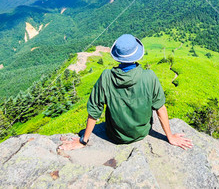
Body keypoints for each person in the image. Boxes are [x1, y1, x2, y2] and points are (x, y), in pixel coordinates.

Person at [59, 34, 192, 151]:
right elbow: (160, 108)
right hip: (142, 132)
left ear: (117, 56)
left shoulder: (106, 77)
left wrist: (83, 140)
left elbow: (94, 111)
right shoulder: (149, 76)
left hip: (115, 135)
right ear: (137, 54)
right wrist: (170, 137)